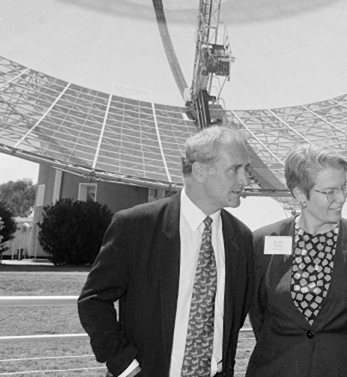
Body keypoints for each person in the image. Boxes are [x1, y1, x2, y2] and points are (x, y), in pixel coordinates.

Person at [78, 126, 255, 377]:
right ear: (200, 170)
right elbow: (94, 301)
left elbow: (232, 319)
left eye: (246, 170)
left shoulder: (241, 239)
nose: (245, 180)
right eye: (235, 169)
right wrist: (126, 368)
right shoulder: (136, 226)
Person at [247, 143, 347, 377]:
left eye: (344, 188)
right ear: (300, 194)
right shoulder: (262, 242)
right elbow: (259, 315)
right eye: (330, 192)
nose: (341, 198)